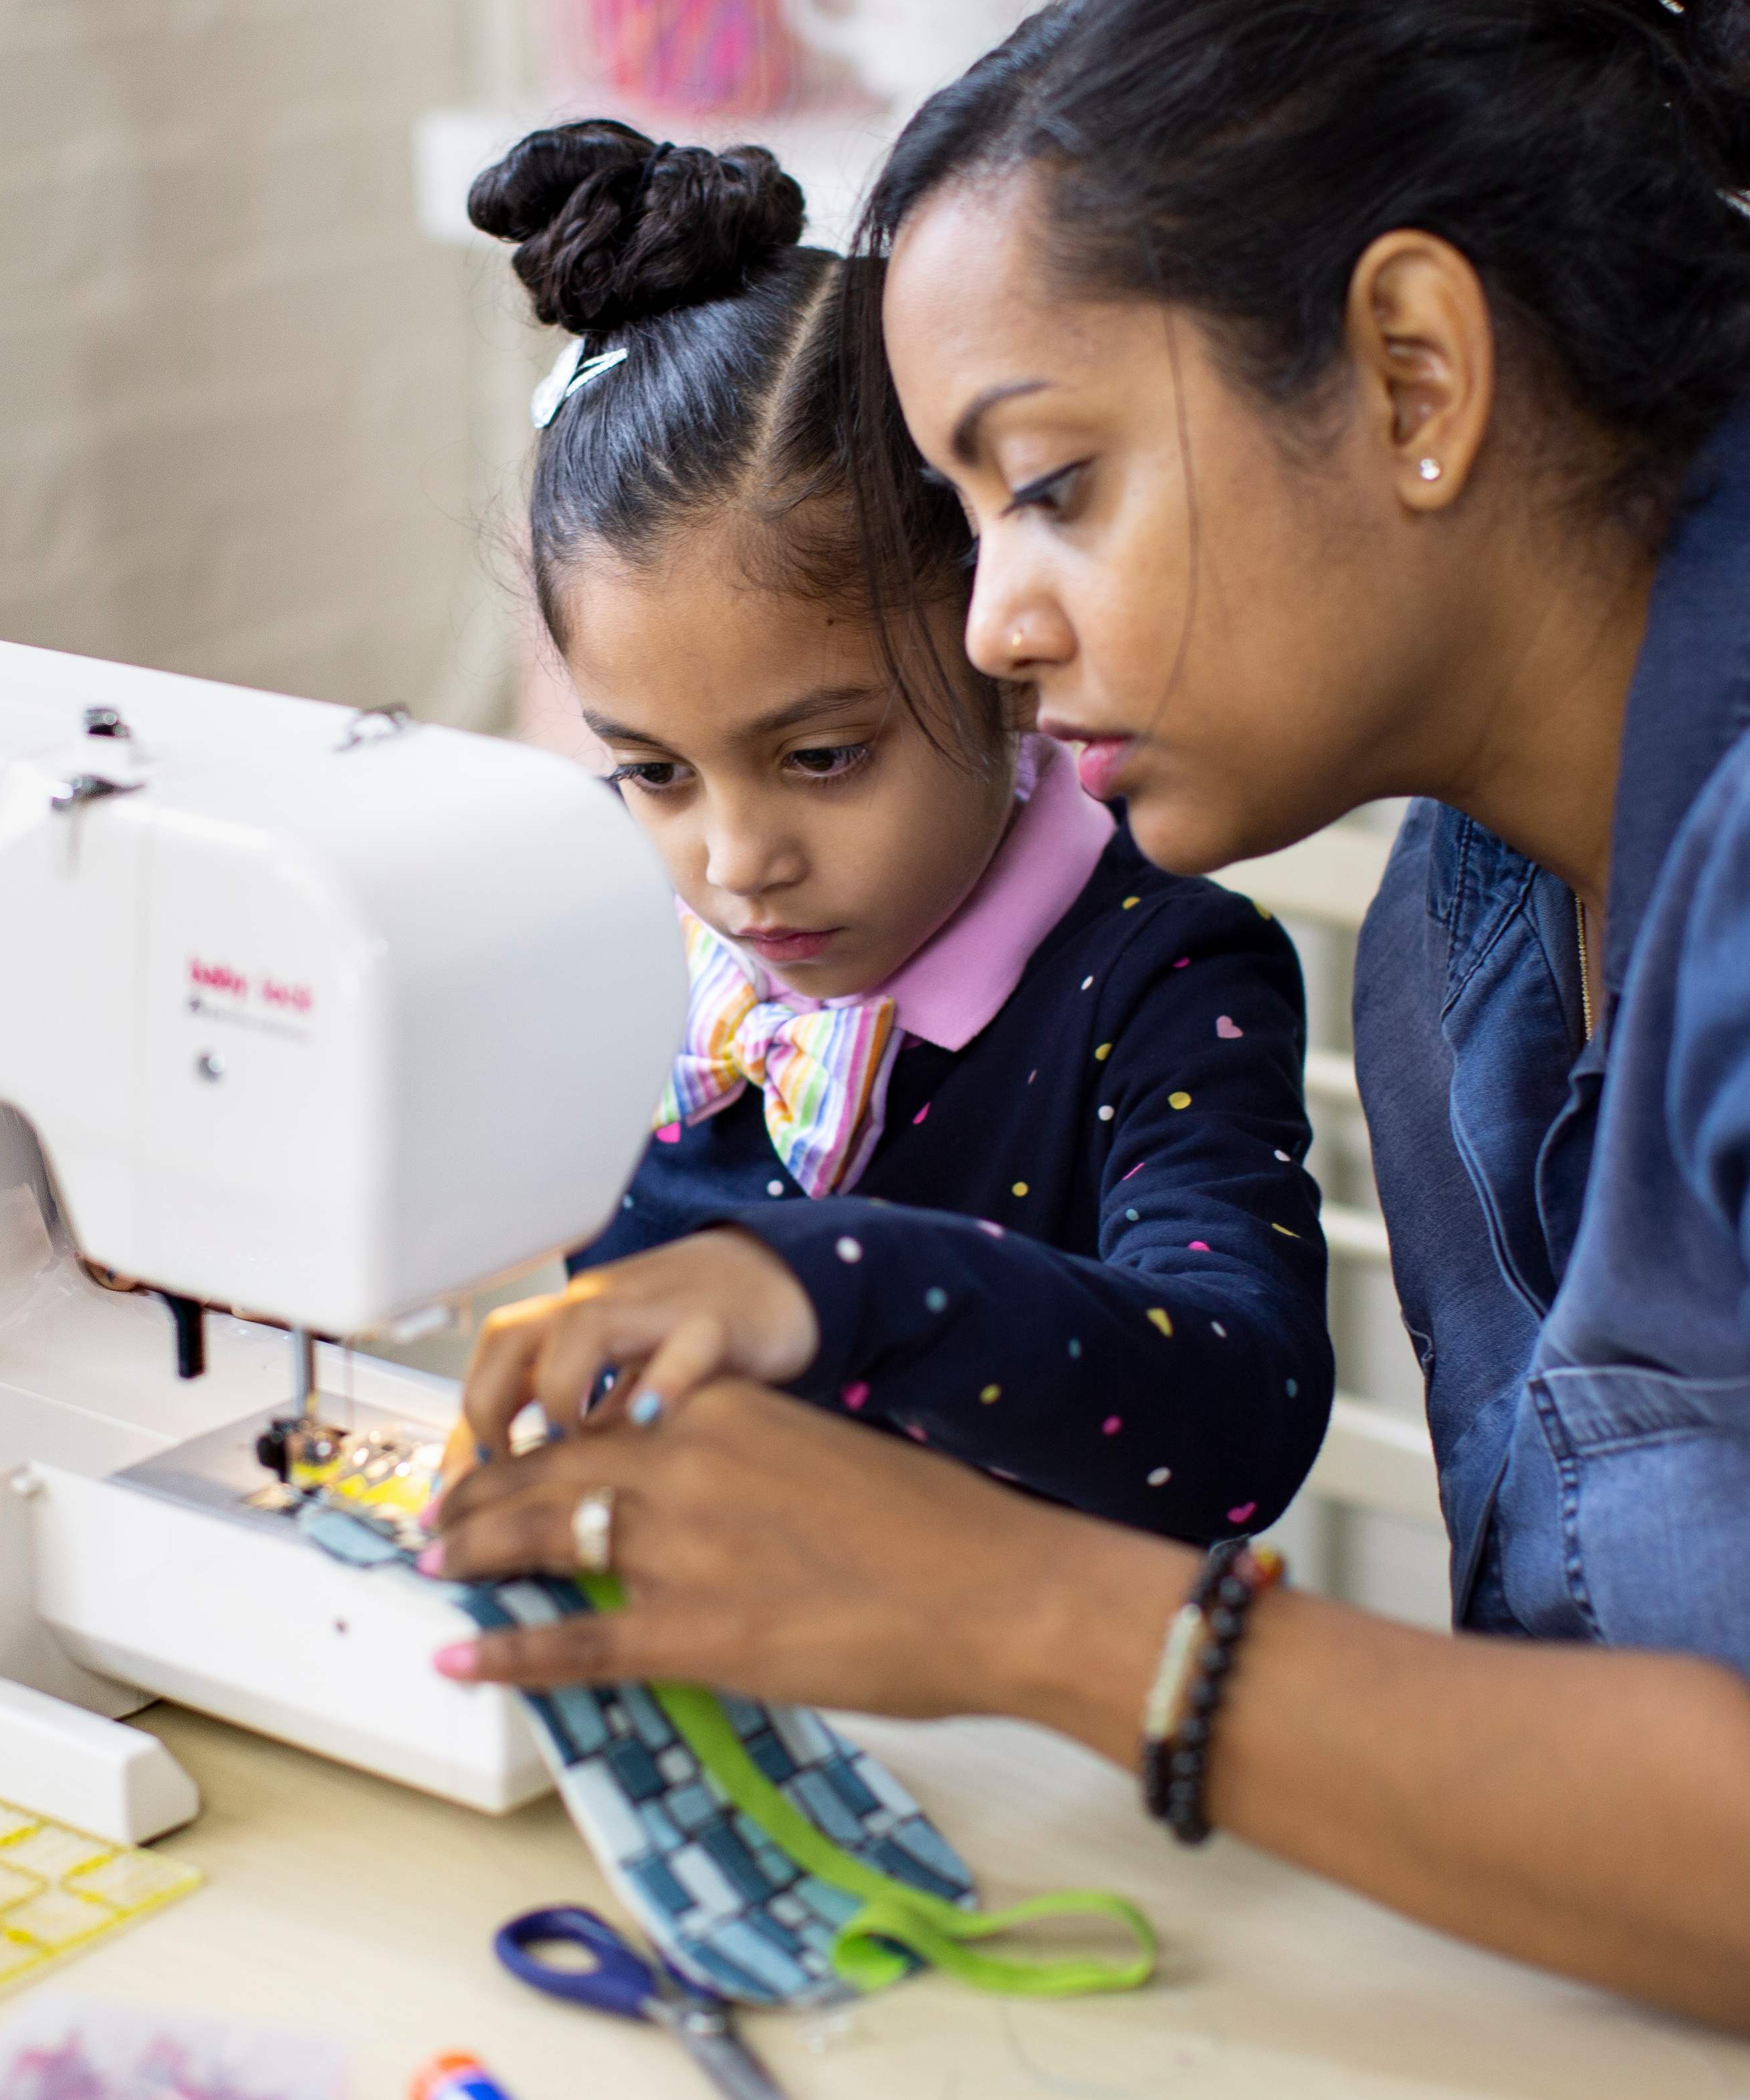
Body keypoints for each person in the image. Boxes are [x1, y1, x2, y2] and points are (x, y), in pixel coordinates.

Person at [426, 0, 1750, 2048]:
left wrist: (1027, 1614)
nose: (997, 625)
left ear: (1413, 372)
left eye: (1051, 486)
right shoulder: (1473, 905)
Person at [451, 121, 1331, 1545]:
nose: (736, 865)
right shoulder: (638, 934)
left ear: (998, 647)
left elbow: (1243, 1416)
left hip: (1022, 1734)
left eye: (820, 757)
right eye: (656, 774)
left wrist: (834, 1279)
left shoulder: (1163, 976)